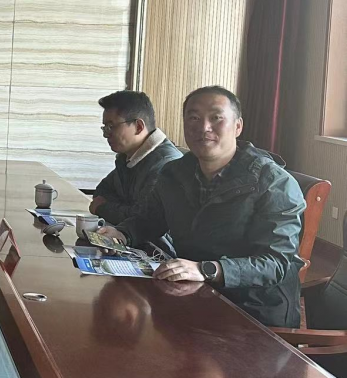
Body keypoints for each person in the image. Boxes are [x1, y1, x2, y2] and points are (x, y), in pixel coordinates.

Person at [106, 86, 306, 328]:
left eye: (216, 117)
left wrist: (207, 270)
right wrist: (122, 233)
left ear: (238, 126)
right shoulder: (174, 172)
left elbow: (275, 263)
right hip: (194, 295)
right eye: (193, 118)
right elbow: (149, 219)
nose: (204, 127)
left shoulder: (274, 182)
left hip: (254, 313)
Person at [90, 90, 182, 224]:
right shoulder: (128, 158)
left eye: (111, 126)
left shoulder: (166, 165)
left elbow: (143, 220)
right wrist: (124, 209)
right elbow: (102, 191)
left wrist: (102, 208)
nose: (106, 134)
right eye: (105, 127)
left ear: (138, 127)